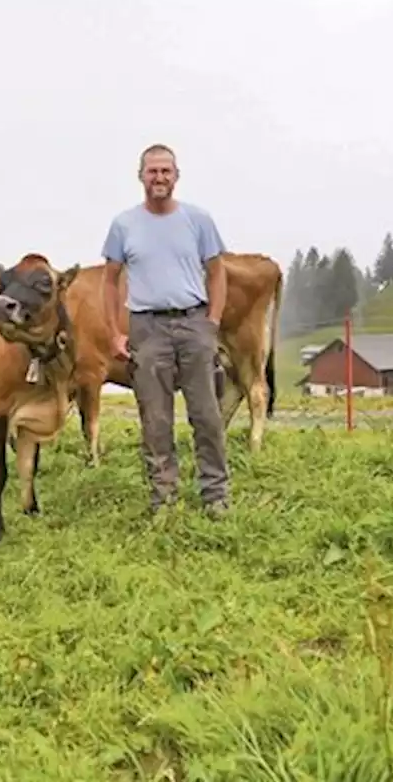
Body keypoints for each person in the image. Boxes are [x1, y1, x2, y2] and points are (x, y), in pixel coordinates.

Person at [101, 143, 231, 518]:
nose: (159, 178)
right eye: (152, 171)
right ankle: (164, 498)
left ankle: (216, 495)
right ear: (140, 176)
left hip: (194, 322)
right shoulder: (124, 224)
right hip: (147, 327)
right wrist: (114, 332)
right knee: (155, 419)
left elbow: (217, 271)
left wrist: (214, 322)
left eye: (166, 171)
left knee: (206, 414)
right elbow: (110, 280)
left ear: (176, 176)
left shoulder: (198, 219)